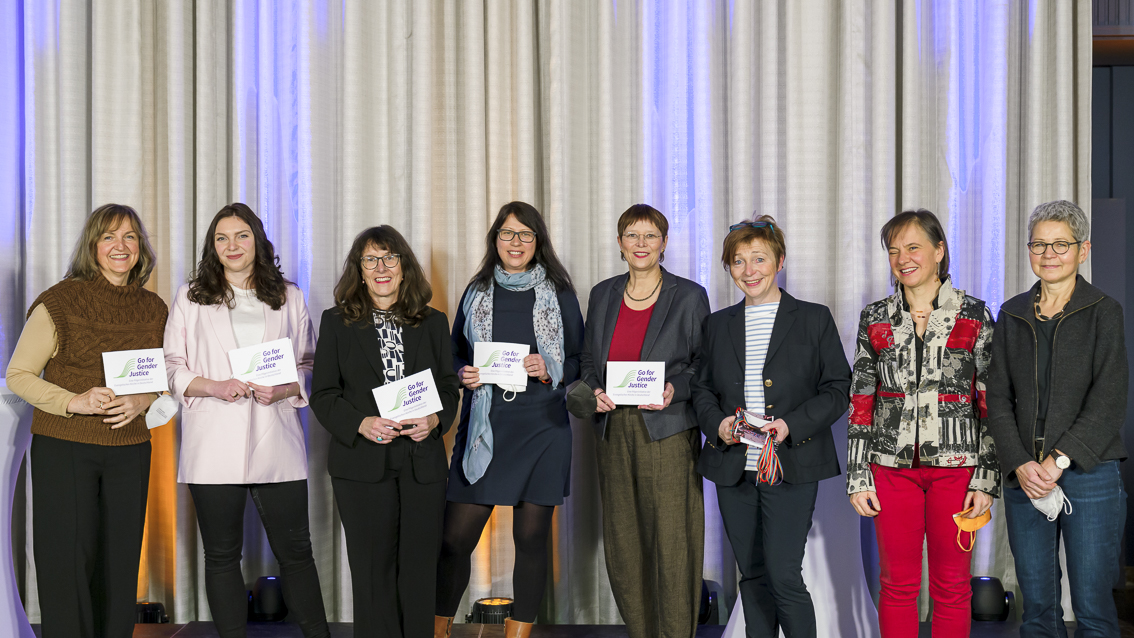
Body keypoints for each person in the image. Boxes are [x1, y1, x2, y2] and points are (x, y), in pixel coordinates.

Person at [164, 203, 329, 638]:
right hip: (213, 440)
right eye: (221, 238)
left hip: (276, 437)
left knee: (296, 553)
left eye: (241, 236)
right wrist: (212, 386)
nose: (232, 245)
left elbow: (312, 365)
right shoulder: (190, 296)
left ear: (257, 240)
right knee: (220, 556)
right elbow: (171, 365)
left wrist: (287, 388)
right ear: (211, 247)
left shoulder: (289, 296)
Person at [5, 204, 167, 638]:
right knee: (67, 562)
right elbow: (18, 374)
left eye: (130, 237)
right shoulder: (58, 301)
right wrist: (74, 401)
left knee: (119, 564)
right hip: (65, 446)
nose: (120, 246)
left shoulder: (154, 308)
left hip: (130, 449)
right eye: (109, 237)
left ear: (140, 248)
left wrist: (143, 400)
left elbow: (161, 379)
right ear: (92, 247)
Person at [691, 216, 850, 638]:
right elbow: (702, 390)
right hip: (733, 468)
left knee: (783, 575)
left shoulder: (813, 319)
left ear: (779, 261)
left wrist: (790, 425)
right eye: (738, 262)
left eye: (759, 259)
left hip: (791, 465)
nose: (749, 271)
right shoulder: (718, 324)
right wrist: (718, 425)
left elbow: (838, 390)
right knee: (753, 578)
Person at [435, 201, 584, 638]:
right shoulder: (477, 290)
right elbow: (456, 354)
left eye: (525, 234)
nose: (515, 242)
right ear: (494, 240)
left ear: (538, 242)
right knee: (454, 540)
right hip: (487, 424)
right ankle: (438, 628)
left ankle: (518, 634)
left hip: (543, 427)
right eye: (507, 233)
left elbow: (579, 361)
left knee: (532, 540)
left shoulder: (559, 292)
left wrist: (551, 367)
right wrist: (463, 373)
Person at [846, 209, 998, 637]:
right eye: (894, 250)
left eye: (913, 247)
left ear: (939, 251)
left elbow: (990, 402)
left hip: (958, 471)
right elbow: (861, 401)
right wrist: (859, 475)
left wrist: (985, 479)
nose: (902, 258)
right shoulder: (875, 317)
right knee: (896, 585)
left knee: (952, 587)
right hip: (890, 471)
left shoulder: (975, 315)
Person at [986, 200, 1127, 637]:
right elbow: (996, 397)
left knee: (1093, 608)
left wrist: (1057, 461)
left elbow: (1109, 398)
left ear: (1083, 250)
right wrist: (1020, 462)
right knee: (1038, 609)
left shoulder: (1104, 310)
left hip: (1090, 470)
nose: (1049, 254)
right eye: (1039, 244)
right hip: (1024, 474)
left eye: (1060, 245)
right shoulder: (1011, 313)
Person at [311, 226, 460, 638]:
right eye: (371, 260)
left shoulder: (432, 322)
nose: (381, 268)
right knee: (373, 573)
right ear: (359, 271)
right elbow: (322, 395)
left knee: (418, 572)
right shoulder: (336, 323)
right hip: (361, 465)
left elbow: (449, 388)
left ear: (404, 267)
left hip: (421, 464)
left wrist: (434, 420)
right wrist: (361, 423)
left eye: (390, 258)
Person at [578, 203, 710, 638]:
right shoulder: (602, 294)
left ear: (664, 243)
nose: (641, 243)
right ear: (620, 244)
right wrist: (594, 389)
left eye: (650, 235)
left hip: (667, 429)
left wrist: (676, 388)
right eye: (632, 235)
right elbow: (588, 361)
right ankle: (641, 632)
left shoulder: (689, 296)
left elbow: (702, 365)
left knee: (672, 541)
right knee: (624, 540)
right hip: (614, 429)